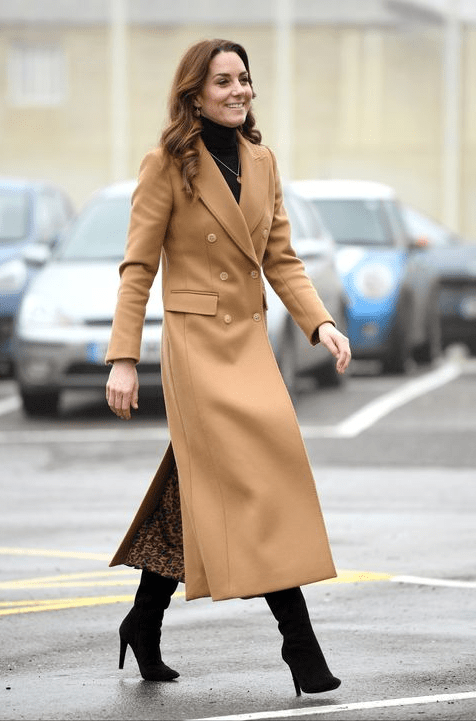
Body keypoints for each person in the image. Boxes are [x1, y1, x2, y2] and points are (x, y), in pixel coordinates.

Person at [105, 38, 351, 696]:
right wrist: (124, 357)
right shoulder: (166, 164)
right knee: (254, 484)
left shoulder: (262, 161)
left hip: (248, 344)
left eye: (244, 78)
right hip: (196, 345)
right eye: (223, 81)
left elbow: (281, 258)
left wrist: (319, 321)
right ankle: (301, 650)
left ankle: (143, 620)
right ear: (195, 94)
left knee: (211, 481)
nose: (239, 89)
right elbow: (138, 268)